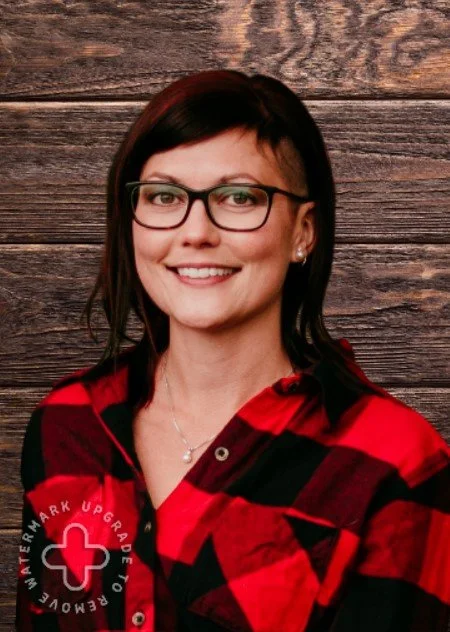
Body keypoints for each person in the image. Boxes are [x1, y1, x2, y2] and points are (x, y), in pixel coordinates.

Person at [15, 69, 449, 631]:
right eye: (164, 196)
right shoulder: (67, 423)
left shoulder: (395, 460)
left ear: (303, 232)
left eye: (239, 197)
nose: (196, 232)